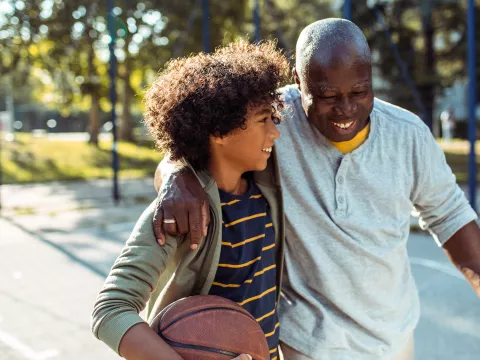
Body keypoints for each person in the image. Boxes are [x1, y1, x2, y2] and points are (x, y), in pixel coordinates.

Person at [152, 19, 480, 360]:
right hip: (308, 343)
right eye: (327, 96)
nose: (346, 109)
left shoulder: (408, 135)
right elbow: (196, 145)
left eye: (359, 91)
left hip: (393, 339)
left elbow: (451, 215)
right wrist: (178, 174)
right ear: (298, 80)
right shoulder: (272, 120)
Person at [91, 40, 290, 360]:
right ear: (219, 131)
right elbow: (110, 310)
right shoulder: (179, 212)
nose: (275, 133)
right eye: (263, 120)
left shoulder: (266, 187)